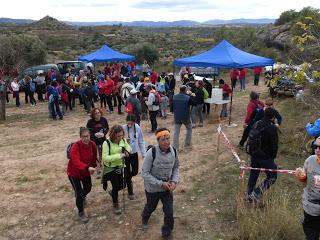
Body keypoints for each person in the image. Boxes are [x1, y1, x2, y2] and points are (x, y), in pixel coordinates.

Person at [141, 128, 179, 240]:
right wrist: (160, 183)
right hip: (152, 189)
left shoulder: (174, 151)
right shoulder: (151, 153)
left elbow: (176, 167)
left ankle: (167, 233)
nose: (167, 142)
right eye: (163, 139)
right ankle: (144, 216)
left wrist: (174, 181)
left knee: (169, 211)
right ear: (158, 141)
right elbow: (144, 173)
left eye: (168, 138)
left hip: (167, 189)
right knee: (150, 207)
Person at [247, 108, 278, 202]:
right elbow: (274, 145)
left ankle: (249, 193)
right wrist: (272, 157)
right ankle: (255, 194)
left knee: (254, 173)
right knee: (272, 177)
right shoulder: (272, 127)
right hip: (265, 157)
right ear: (273, 117)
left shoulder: (257, 123)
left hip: (254, 154)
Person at [67, 127, 97, 223]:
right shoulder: (76, 146)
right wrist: (87, 168)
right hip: (74, 173)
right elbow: (76, 161)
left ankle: (80, 198)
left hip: (85, 172)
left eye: (87, 136)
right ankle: (81, 212)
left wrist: (94, 166)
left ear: (90, 136)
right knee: (79, 193)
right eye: (84, 137)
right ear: (80, 137)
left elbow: (93, 158)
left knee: (88, 188)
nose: (86, 138)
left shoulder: (92, 145)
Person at [102, 125, 131, 214]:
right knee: (115, 186)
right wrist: (119, 156)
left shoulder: (123, 140)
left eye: (122, 135)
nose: (120, 137)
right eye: (118, 136)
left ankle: (113, 192)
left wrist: (127, 151)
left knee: (123, 185)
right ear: (113, 135)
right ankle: (115, 204)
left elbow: (128, 147)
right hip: (110, 168)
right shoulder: (106, 143)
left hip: (121, 165)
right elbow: (105, 158)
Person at [295, 136, 320, 240]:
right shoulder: (310, 160)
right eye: (315, 146)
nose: (317, 150)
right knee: (311, 236)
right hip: (311, 208)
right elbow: (305, 180)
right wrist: (301, 176)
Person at [122, 114, 146, 199]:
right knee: (127, 171)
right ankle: (130, 192)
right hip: (126, 154)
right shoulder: (123, 128)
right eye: (128, 123)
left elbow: (141, 141)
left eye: (131, 123)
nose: (130, 125)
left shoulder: (137, 127)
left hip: (134, 153)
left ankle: (125, 180)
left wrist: (144, 153)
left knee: (135, 171)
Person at [86, 108, 109, 179]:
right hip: (94, 141)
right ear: (93, 114)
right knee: (95, 155)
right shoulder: (90, 122)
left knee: (102, 154)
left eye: (98, 112)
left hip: (102, 140)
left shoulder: (104, 120)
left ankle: (102, 166)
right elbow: (88, 131)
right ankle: (98, 170)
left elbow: (107, 128)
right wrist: (94, 134)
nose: (97, 114)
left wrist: (104, 134)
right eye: (96, 113)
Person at [172, 85, 195, 151]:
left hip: (177, 117)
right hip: (186, 117)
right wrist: (191, 95)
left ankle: (175, 147)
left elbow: (171, 107)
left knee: (176, 132)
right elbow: (194, 103)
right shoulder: (188, 98)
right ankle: (187, 143)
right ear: (185, 90)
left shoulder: (174, 97)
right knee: (189, 129)